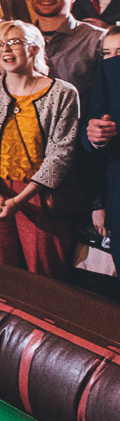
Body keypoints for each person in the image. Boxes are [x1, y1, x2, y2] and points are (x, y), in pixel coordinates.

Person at [0, 21, 80, 278]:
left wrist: (19, 200)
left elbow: (60, 155)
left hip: (40, 195)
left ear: (34, 48)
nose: (5, 49)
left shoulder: (63, 93)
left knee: (44, 276)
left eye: (14, 42)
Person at [84, 26, 120, 276]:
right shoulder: (107, 74)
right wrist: (95, 137)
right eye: (107, 53)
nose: (113, 59)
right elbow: (89, 141)